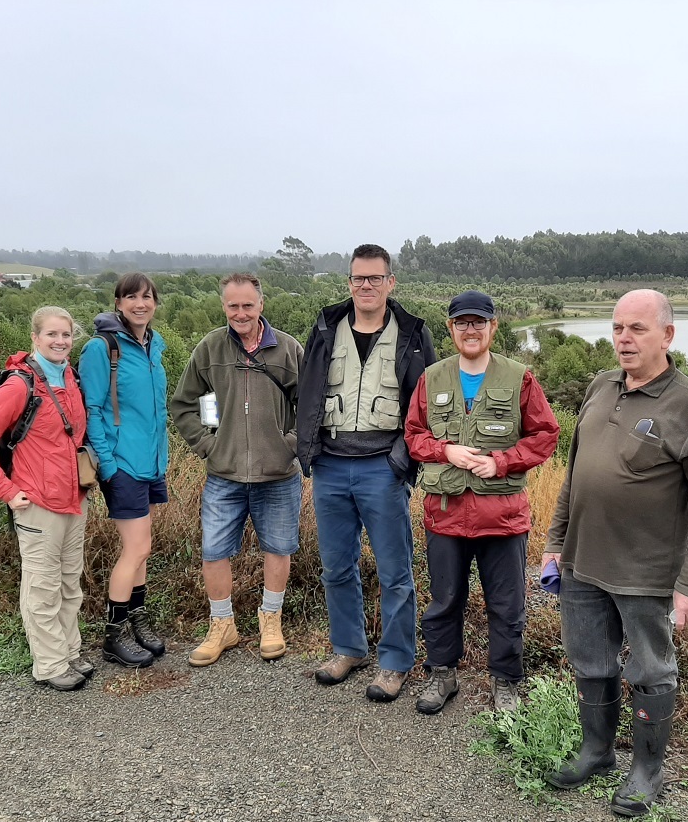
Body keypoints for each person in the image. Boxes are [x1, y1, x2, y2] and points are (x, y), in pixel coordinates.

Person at [541, 288, 688, 816]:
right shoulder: (602, 387)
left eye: (637, 329)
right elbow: (574, 478)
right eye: (618, 327)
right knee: (589, 659)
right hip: (582, 562)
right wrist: (556, 545)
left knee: (650, 669)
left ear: (667, 336)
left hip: (646, 571)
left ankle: (648, 768)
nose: (624, 339)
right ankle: (597, 751)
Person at [404, 291, 559, 715]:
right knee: (445, 599)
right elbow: (414, 434)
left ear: (492, 327)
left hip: (502, 516)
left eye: (479, 322)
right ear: (451, 329)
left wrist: (502, 461)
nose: (470, 330)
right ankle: (442, 673)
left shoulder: (519, 377)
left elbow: (545, 434)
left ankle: (506, 681)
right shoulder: (432, 377)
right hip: (446, 513)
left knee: (507, 605)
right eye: (461, 323)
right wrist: (445, 452)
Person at [296, 243, 436, 702]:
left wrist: (402, 460)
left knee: (396, 572)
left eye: (375, 278)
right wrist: (309, 451)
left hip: (383, 468)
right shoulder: (325, 329)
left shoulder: (414, 333)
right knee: (337, 567)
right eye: (359, 278)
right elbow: (308, 393)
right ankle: (348, 649)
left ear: (390, 282)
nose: (366, 286)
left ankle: (395, 662)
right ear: (349, 281)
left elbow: (424, 402)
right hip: (332, 466)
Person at [170, 273, 304, 666]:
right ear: (224, 307)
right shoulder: (209, 348)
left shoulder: (288, 350)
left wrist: (290, 445)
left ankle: (271, 620)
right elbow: (184, 404)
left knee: (278, 548)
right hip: (223, 474)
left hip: (278, 474)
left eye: (248, 305)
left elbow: (312, 406)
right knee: (214, 552)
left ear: (261, 306)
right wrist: (208, 445)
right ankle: (222, 625)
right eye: (233, 306)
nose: (240, 313)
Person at [0, 306, 93, 691]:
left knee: (70, 583)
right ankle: (50, 665)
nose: (60, 341)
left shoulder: (70, 376)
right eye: (52, 334)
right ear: (34, 338)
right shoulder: (20, 385)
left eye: (66, 335)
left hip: (74, 499)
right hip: (36, 502)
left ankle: (69, 652)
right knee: (43, 586)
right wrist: (6, 491)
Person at [79, 272, 170, 669]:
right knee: (136, 548)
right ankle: (113, 636)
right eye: (131, 297)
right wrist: (110, 464)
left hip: (149, 461)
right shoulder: (103, 348)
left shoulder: (153, 345)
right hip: (124, 464)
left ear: (155, 303)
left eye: (147, 297)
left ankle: (137, 622)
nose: (140, 303)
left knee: (142, 550)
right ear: (118, 303)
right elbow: (92, 409)